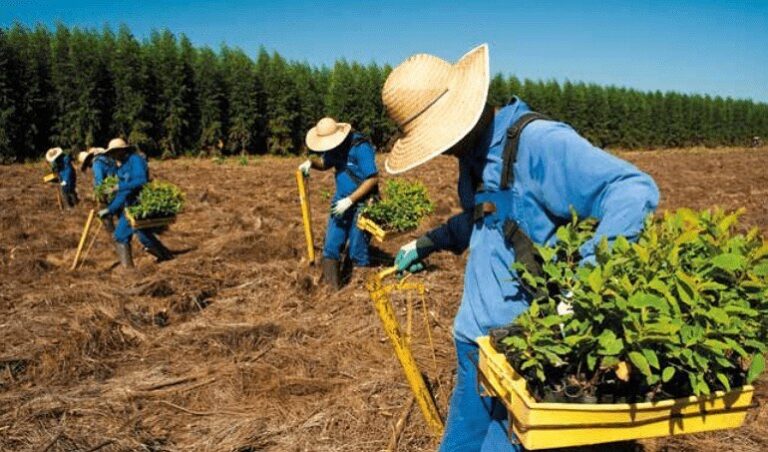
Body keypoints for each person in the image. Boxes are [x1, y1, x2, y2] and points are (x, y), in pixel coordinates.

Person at [383, 44, 660, 451]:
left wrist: (584, 284)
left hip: (526, 348)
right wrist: (427, 242)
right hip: (474, 340)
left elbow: (632, 190)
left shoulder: (539, 144)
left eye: (441, 136)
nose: (442, 149)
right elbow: (487, 218)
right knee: (460, 444)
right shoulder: (470, 152)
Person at [298, 117, 379, 289]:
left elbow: (372, 179)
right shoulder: (334, 148)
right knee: (331, 246)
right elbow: (325, 163)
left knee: (357, 249)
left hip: (363, 202)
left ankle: (360, 290)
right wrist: (311, 162)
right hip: (340, 200)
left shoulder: (360, 147)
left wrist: (350, 200)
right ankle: (331, 290)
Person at [97, 138, 173, 268]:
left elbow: (141, 180)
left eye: (115, 152)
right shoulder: (120, 168)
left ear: (122, 150)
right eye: (111, 153)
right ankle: (129, 269)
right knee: (122, 235)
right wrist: (110, 209)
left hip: (140, 203)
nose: (113, 156)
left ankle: (165, 257)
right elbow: (123, 193)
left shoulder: (135, 160)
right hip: (130, 205)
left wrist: (119, 186)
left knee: (141, 235)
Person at [78, 147, 119, 231]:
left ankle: (110, 230)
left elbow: (99, 180)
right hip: (117, 185)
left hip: (109, 188)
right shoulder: (108, 158)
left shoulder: (96, 163)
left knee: (104, 208)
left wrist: (98, 193)